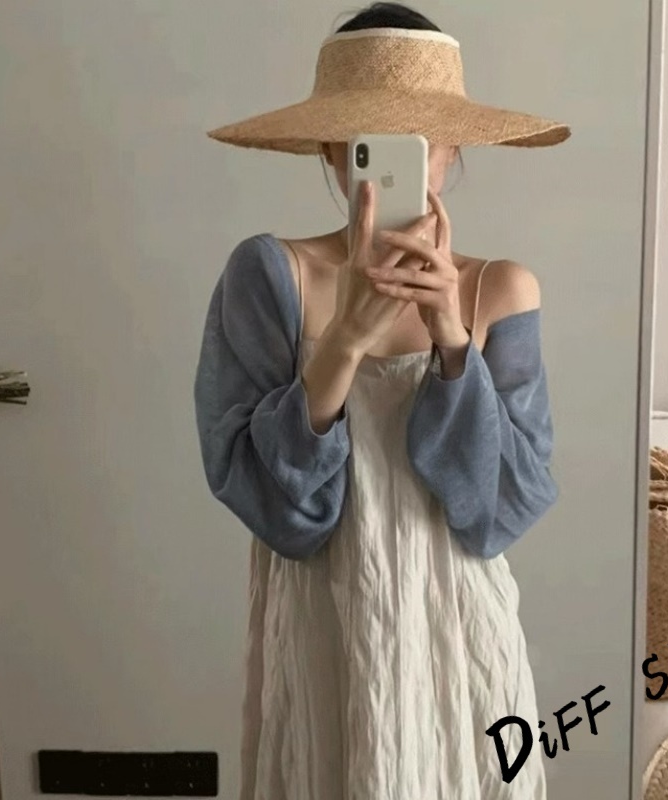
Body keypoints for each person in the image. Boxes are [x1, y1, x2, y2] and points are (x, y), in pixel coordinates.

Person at [194, 4, 570, 798]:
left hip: (460, 632)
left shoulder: (500, 289)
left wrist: (450, 337)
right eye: (368, 141)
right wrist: (343, 341)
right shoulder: (271, 275)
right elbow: (270, 504)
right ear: (331, 150)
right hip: (324, 628)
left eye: (424, 140)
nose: (400, 164)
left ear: (454, 151)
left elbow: (502, 510)